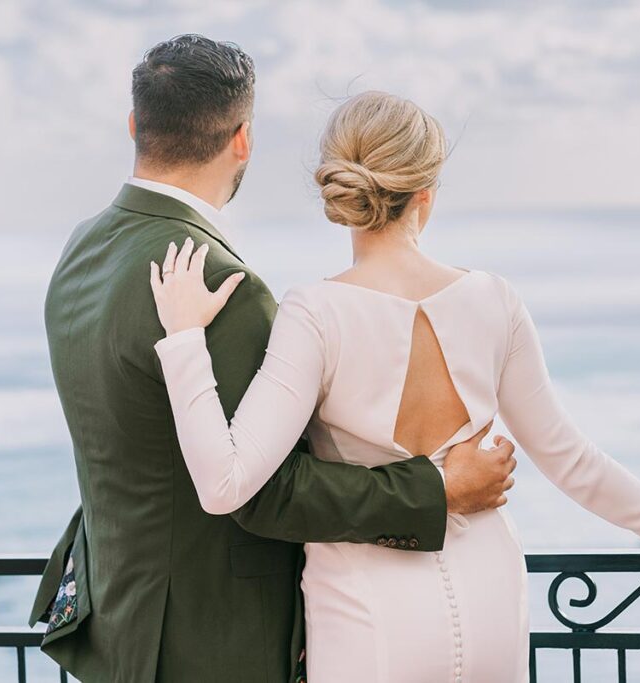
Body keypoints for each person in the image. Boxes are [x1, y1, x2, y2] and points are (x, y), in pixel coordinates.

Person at [149, 90, 640, 682]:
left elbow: (225, 482)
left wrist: (183, 341)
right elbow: (572, 461)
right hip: (492, 595)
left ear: (343, 196)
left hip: (372, 622)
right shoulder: (493, 298)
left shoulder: (316, 312)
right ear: (426, 193)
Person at [28, 36, 516, 683]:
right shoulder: (219, 283)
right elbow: (259, 489)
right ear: (242, 139)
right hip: (212, 641)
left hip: (117, 620)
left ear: (134, 126)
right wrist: (437, 488)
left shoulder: (83, 247)